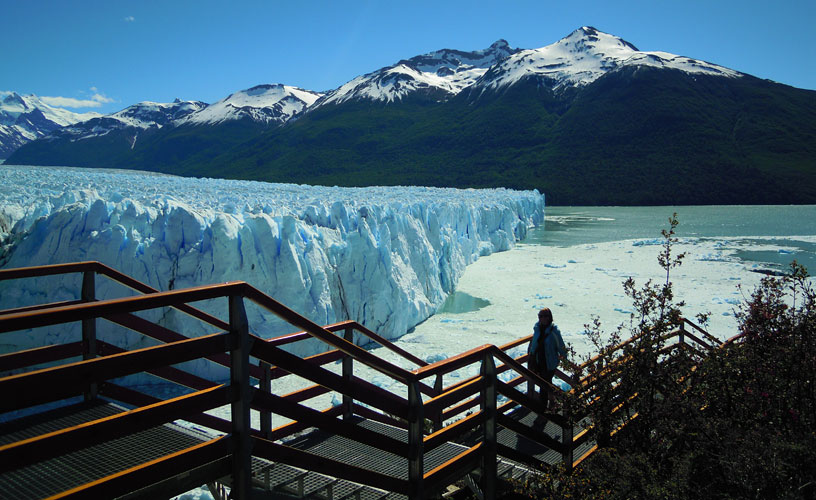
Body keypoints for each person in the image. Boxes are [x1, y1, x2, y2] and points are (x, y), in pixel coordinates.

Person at [528, 307, 567, 406]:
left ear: (550, 317)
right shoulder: (537, 329)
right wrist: (531, 356)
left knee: (543, 386)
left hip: (549, 362)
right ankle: (552, 400)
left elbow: (561, 346)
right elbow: (534, 344)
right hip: (538, 361)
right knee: (546, 383)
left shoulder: (554, 331)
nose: (543, 318)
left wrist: (564, 359)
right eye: (541, 316)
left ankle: (543, 412)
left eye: (546, 316)